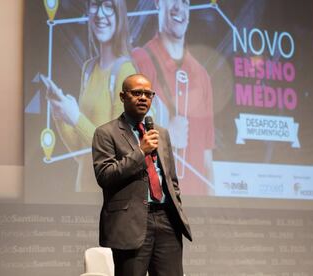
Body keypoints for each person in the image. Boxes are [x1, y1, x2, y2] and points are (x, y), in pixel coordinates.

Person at [92, 74, 192, 276]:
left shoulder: (160, 133)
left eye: (148, 93)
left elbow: (171, 179)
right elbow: (105, 175)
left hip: (166, 220)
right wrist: (141, 151)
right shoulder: (106, 133)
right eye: (137, 93)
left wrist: (176, 208)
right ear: (122, 96)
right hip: (130, 224)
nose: (143, 98)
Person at [40, 0, 136, 191]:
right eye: (94, 4)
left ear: (119, 15)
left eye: (108, 6)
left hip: (110, 199)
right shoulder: (88, 69)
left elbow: (118, 153)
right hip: (82, 192)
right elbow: (80, 152)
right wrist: (61, 115)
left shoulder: (126, 73)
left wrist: (76, 118)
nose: (100, 14)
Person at [132, 0, 215, 195]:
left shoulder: (202, 76)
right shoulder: (139, 61)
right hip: (155, 207)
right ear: (157, 3)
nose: (179, 7)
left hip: (196, 211)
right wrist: (166, 133)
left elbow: (207, 159)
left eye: (185, 2)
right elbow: (124, 143)